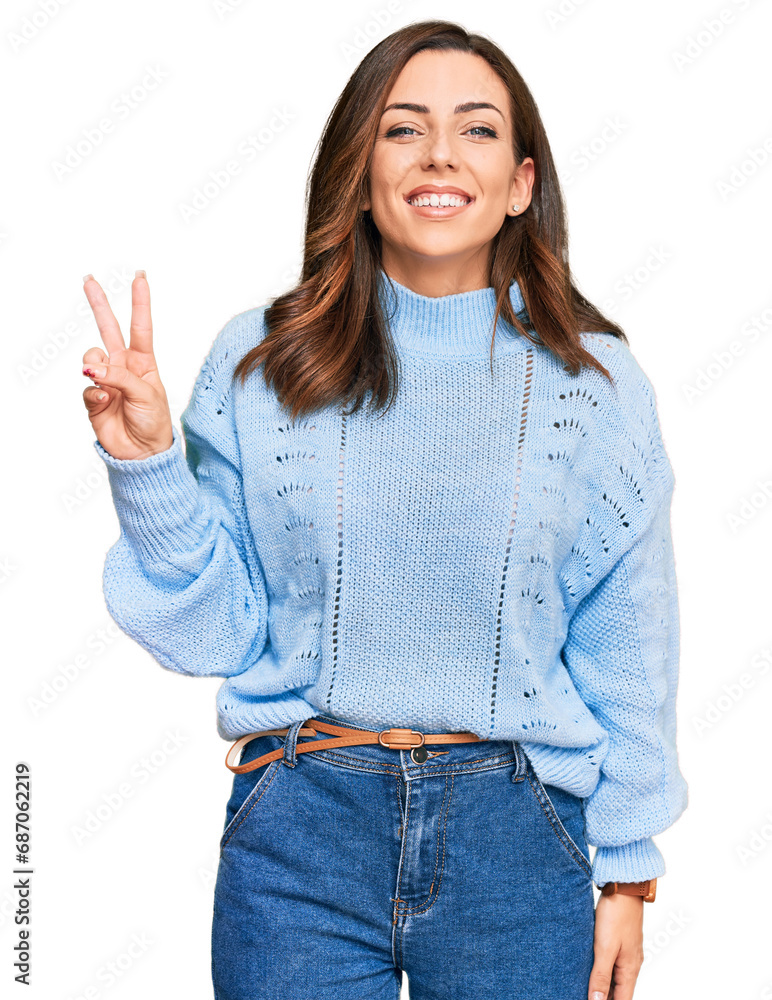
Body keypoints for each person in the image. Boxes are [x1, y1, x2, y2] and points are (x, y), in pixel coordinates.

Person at [81, 19, 688, 1000]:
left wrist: (627, 867)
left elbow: (630, 641)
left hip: (519, 839)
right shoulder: (264, 363)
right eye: (403, 128)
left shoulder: (595, 385)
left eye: (477, 130)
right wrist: (147, 462)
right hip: (299, 832)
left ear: (522, 183)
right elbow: (215, 628)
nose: (440, 153)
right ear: (358, 170)